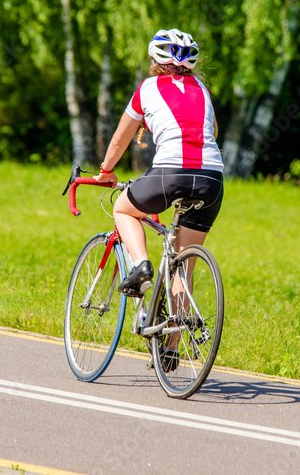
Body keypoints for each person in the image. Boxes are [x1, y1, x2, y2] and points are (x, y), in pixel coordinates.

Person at [94, 28, 225, 370]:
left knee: (124, 209)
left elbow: (121, 139)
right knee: (184, 263)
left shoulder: (147, 89)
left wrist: (106, 170)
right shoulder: (204, 91)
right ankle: (171, 348)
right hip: (212, 180)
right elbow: (209, 133)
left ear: (154, 61)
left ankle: (140, 266)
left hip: (170, 173)